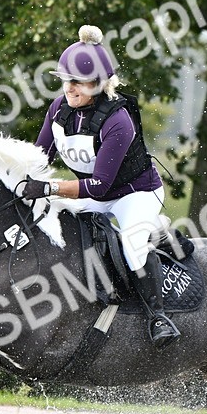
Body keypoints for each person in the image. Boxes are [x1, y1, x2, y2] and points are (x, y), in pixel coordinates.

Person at [21, 25, 180, 347]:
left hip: (134, 193)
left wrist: (49, 189)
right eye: (66, 80)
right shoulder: (58, 109)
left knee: (133, 247)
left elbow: (98, 185)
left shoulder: (117, 120)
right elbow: (38, 158)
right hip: (92, 192)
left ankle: (159, 318)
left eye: (78, 81)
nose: (70, 88)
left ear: (98, 83)